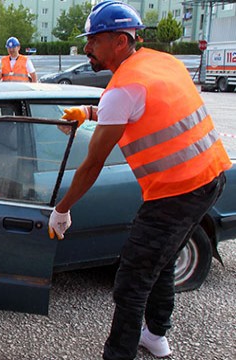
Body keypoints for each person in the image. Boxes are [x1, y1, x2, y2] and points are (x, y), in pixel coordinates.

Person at [48, 2, 231, 359]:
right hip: (210, 178)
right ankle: (156, 336)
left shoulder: (124, 88)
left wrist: (63, 209)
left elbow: (93, 163)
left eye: (93, 41)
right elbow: (139, 104)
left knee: (132, 280)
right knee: (160, 260)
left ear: (119, 41)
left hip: (174, 195)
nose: (87, 49)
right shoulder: (162, 62)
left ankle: (119, 353)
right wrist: (87, 112)